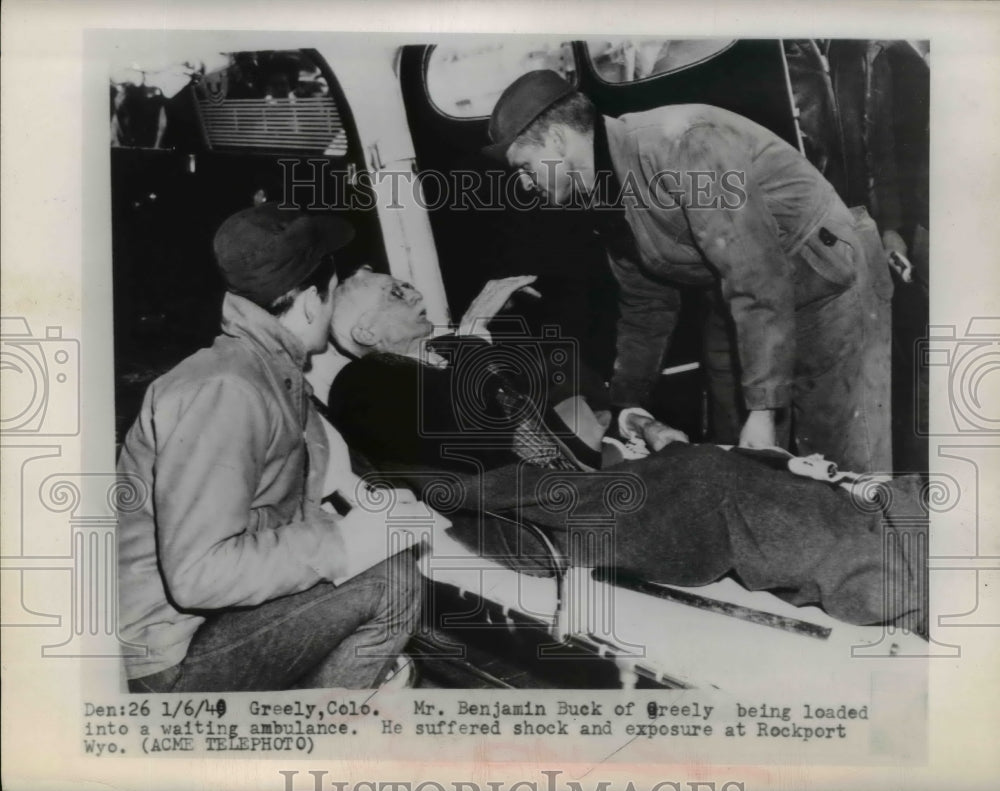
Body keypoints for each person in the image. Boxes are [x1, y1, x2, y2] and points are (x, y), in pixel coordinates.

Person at [321, 267, 926, 636]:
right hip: (533, 513)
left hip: (583, 479)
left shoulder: (452, 355)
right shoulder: (364, 387)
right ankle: (897, 587)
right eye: (393, 293)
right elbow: (470, 449)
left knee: (750, 467)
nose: (412, 289)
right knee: (711, 481)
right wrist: (477, 339)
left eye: (404, 282)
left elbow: (568, 391)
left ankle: (904, 519)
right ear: (370, 334)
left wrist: (636, 422)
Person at [482, 70, 895, 474]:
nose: (523, 183)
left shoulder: (682, 144)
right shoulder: (601, 192)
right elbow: (646, 304)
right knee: (733, 460)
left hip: (825, 281)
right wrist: (627, 406)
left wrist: (765, 408)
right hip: (738, 297)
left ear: (556, 140)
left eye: (524, 166)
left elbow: (756, 275)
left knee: (840, 471)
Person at [116, 203, 444, 692]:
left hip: (208, 625)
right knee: (392, 584)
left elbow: (266, 513)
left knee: (380, 570)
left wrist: (367, 519)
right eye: (333, 297)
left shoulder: (268, 373)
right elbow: (199, 574)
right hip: (169, 656)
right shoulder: (227, 389)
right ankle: (311, 750)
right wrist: (342, 543)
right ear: (312, 301)